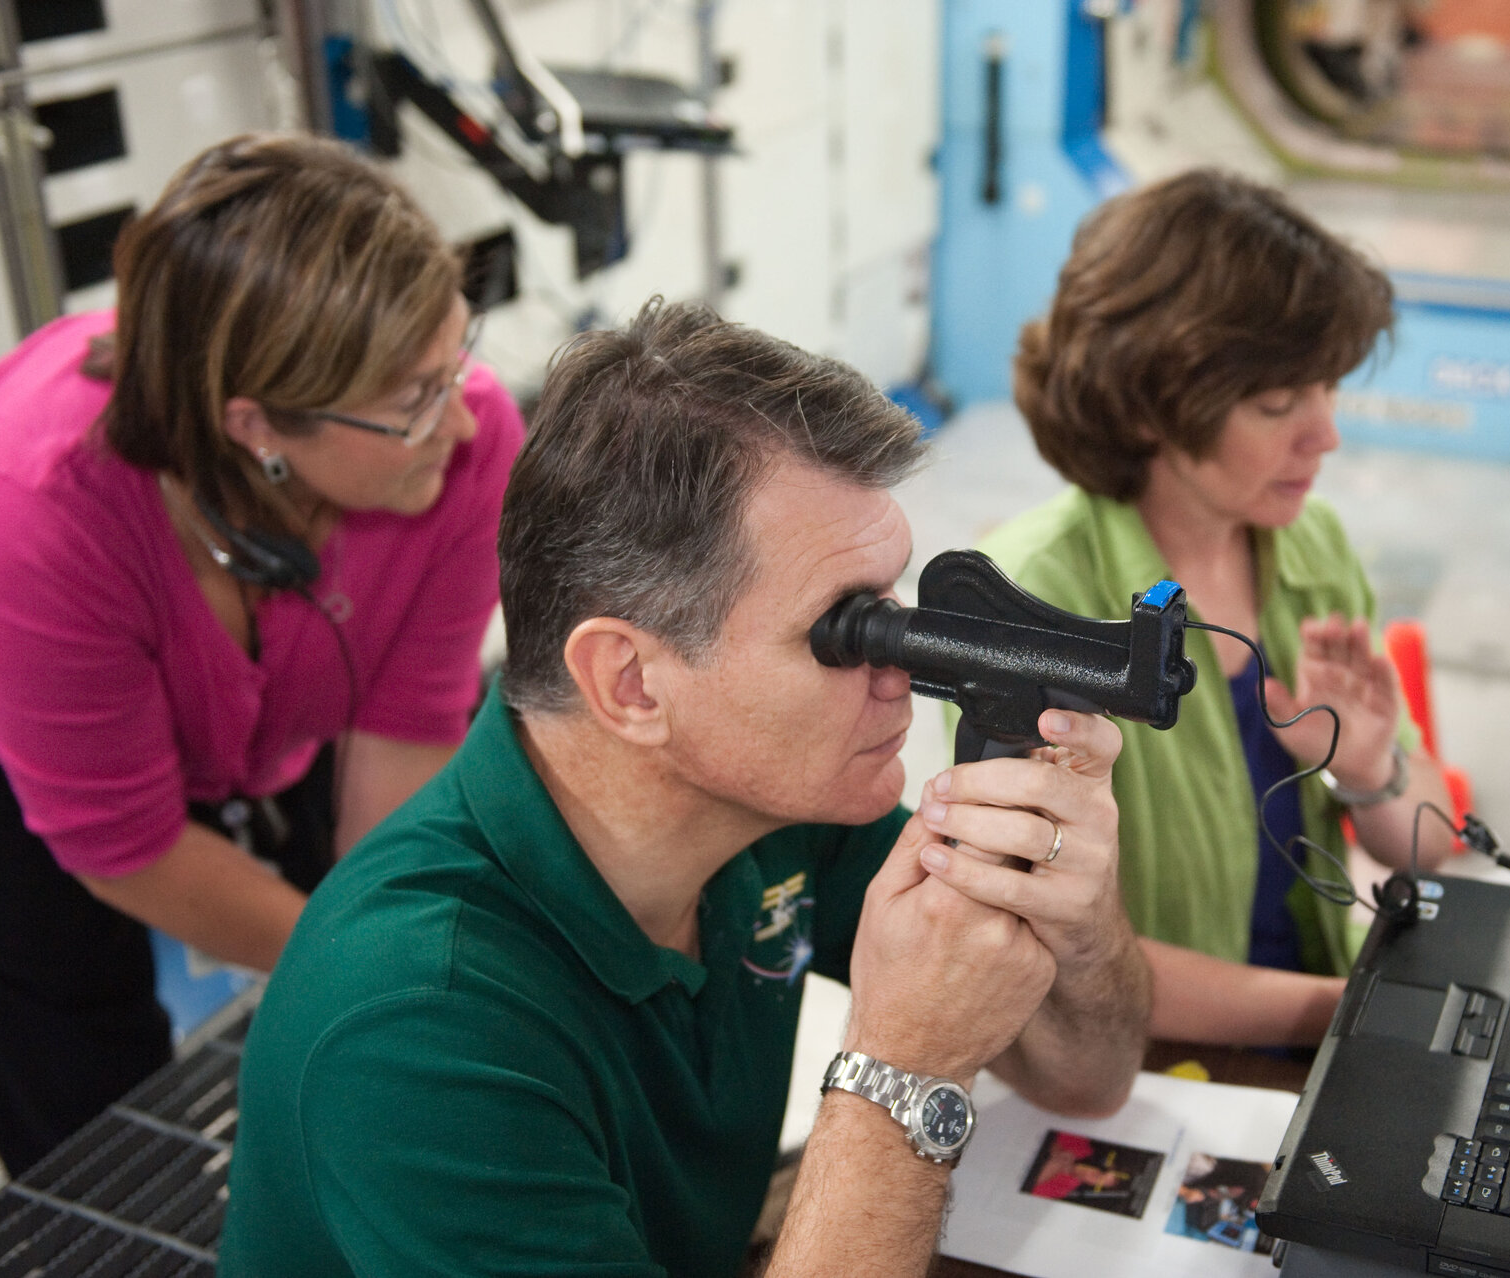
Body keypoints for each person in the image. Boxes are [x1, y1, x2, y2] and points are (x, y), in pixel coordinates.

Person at [219, 298, 1151, 1277]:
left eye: (894, 605)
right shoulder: (418, 1028)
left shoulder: (783, 810)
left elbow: (1085, 1080)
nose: (906, 672)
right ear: (630, 684)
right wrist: (902, 1069)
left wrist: (1078, 927)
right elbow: (927, 1074)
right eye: (846, 631)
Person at [0, 133, 525, 1174]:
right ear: (257, 424)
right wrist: (357, 967)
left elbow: (400, 744)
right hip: (0, 744)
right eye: (412, 394)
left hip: (271, 708)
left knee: (367, 932)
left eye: (456, 357)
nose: (457, 418)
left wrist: (390, 963)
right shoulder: (26, 512)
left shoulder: (468, 443)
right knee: (77, 1054)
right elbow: (125, 849)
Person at [979, 168, 1453, 1048]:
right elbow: (1049, 947)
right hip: (1146, 1065)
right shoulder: (1037, 597)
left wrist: (1368, 768)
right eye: (1277, 404)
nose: (1325, 435)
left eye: (1327, 391)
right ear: (1151, 405)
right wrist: (1339, 1015)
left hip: (1317, 1008)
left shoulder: (1310, 547)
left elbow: (1430, 843)